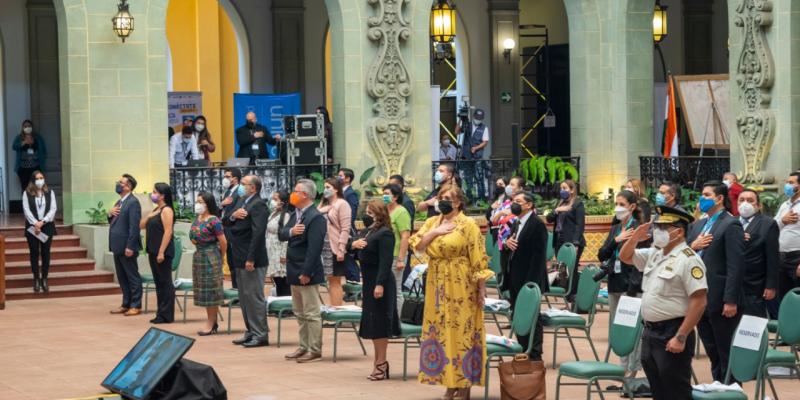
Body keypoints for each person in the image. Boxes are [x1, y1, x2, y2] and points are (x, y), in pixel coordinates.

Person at [410, 184, 494, 399]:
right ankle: (448, 382)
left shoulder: (468, 225)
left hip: (461, 282)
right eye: (440, 197)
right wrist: (435, 232)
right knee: (440, 331)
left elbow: (478, 258)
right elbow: (417, 245)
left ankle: (464, 383)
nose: (442, 201)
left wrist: (481, 289)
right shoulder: (432, 222)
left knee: (461, 331)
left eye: (447, 198)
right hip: (436, 281)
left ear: (457, 202)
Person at [618, 206, 708, 400]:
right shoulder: (655, 253)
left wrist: (681, 336)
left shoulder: (688, 260)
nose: (657, 231)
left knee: (676, 391)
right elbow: (625, 257)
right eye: (657, 226)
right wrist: (634, 238)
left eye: (663, 227)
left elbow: (699, 301)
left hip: (673, 330)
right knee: (658, 390)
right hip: (650, 332)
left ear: (679, 231)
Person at [686, 181, 745, 383]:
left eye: (706, 194)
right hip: (698, 296)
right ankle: (718, 385)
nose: (702, 198)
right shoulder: (698, 225)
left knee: (725, 349)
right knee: (711, 349)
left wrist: (731, 300)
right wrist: (692, 246)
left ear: (719, 198)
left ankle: (731, 389)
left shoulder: (731, 224)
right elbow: (682, 254)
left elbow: (735, 266)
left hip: (720, 298)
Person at [598, 190, 646, 379]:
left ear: (632, 207)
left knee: (632, 330)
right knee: (619, 329)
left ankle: (632, 372)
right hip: (614, 283)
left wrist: (632, 291)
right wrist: (616, 240)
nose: (618, 208)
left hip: (631, 287)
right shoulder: (616, 227)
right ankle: (622, 369)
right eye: (616, 204)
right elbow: (602, 254)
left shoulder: (639, 229)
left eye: (622, 204)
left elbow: (640, 262)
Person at [349, 200, 400, 380]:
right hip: (369, 281)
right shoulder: (367, 231)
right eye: (367, 212)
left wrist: (380, 284)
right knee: (372, 323)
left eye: (372, 213)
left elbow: (386, 262)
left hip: (381, 282)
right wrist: (353, 246)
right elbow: (356, 250)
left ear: (380, 214)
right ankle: (379, 362)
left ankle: (381, 362)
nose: (368, 215)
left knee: (379, 323)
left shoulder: (385, 233)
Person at [279, 179, 327, 363]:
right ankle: (303, 345)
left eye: (296, 191)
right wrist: (292, 231)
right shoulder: (296, 213)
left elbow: (314, 249)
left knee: (311, 313)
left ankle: (314, 349)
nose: (293, 193)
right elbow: (282, 234)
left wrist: (306, 272)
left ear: (305, 195)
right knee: (299, 312)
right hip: (293, 268)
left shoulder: (315, 217)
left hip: (307, 271)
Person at [226, 175, 269, 347]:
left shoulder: (258, 205)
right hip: (238, 256)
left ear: (253, 188)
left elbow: (258, 234)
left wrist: (251, 258)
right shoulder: (240, 201)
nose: (240, 187)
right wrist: (233, 216)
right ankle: (250, 331)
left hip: (252, 259)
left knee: (254, 297)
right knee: (244, 297)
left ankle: (261, 334)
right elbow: (226, 220)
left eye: (244, 184)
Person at [503, 191, 548, 359]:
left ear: (528, 205)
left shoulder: (537, 225)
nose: (514, 204)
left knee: (532, 316)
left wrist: (531, 285)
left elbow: (539, 257)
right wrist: (507, 244)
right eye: (513, 201)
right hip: (515, 275)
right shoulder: (516, 223)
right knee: (518, 314)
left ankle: (535, 353)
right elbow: (510, 246)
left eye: (518, 201)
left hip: (530, 279)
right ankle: (523, 349)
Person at [737, 189, 779, 317]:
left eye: (750, 201)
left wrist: (771, 285)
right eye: (742, 200)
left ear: (758, 205)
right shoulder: (731, 222)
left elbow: (772, 257)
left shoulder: (768, 224)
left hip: (755, 284)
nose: (745, 204)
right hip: (733, 285)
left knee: (752, 325)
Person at [190, 192, 227, 335]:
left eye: (201, 202)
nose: (198, 204)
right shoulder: (198, 218)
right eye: (197, 201)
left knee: (211, 291)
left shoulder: (214, 221)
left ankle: (211, 322)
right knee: (203, 291)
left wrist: (220, 257)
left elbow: (223, 242)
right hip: (199, 256)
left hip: (211, 256)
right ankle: (212, 320)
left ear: (208, 204)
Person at [140, 183, 175, 324]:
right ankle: (160, 313)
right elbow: (141, 225)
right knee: (158, 283)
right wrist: (150, 215)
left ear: (162, 195)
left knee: (165, 283)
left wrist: (161, 251)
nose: (152, 194)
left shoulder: (167, 210)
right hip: (152, 250)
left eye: (155, 192)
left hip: (162, 252)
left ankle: (166, 315)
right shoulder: (156, 210)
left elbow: (168, 231)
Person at [108, 174, 143, 316]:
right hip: (117, 246)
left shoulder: (133, 202)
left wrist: (130, 246)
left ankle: (136, 305)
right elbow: (113, 221)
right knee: (122, 277)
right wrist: (109, 213)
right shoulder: (119, 202)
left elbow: (134, 227)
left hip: (127, 247)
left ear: (128, 187)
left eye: (121, 183)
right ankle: (126, 303)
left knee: (132, 276)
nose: (118, 184)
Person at [547, 179, 586, 300]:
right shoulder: (560, 203)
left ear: (572, 190)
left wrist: (576, 242)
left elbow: (580, 225)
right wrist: (556, 210)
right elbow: (549, 219)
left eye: (565, 188)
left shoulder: (577, 204)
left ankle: (573, 294)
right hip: (559, 239)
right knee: (562, 268)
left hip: (572, 240)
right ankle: (565, 291)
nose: (562, 191)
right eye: (561, 188)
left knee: (572, 267)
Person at [318, 178, 352, 306]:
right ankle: (332, 309)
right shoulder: (325, 205)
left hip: (334, 246)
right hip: (323, 247)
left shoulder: (342, 204)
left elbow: (345, 228)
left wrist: (341, 248)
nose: (325, 190)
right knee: (329, 280)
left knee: (335, 281)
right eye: (325, 187)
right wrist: (322, 204)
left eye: (328, 187)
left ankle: (336, 312)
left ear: (336, 189)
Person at [22, 170, 57, 293]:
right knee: (34, 253)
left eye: (42, 177)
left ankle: (45, 278)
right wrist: (35, 223)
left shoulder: (50, 192)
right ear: (33, 180)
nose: (40, 180)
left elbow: (53, 209)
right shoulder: (26, 193)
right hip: (32, 227)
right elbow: (26, 210)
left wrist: (42, 222)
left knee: (46, 253)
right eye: (37, 178)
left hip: (47, 226)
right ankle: (36, 278)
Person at [383, 184, 411, 313]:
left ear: (395, 197)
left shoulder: (401, 212)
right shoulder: (384, 211)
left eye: (387, 194)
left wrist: (401, 259)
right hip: (384, 255)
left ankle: (397, 319)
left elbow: (405, 236)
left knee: (395, 289)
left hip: (395, 255)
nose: (384, 196)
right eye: (383, 193)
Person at [774, 171, 800, 302]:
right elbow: (773, 228)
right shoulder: (785, 205)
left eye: (791, 183)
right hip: (780, 257)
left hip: (797, 258)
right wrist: (782, 221)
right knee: (784, 298)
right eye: (787, 182)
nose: (787, 186)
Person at [455, 108, 489, 203]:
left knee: (479, 178)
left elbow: (485, 142)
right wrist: (460, 120)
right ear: (473, 116)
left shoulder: (484, 128)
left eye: (480, 118)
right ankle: (470, 199)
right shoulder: (467, 125)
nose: (478, 119)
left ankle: (481, 199)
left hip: (477, 156)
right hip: (466, 157)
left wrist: (476, 148)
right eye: (477, 117)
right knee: (468, 179)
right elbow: (457, 132)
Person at [220, 168, 243, 289]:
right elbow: (222, 209)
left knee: (236, 262)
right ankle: (235, 288)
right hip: (226, 231)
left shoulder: (240, 192)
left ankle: (239, 290)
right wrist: (221, 204)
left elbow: (237, 211)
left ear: (235, 179)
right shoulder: (227, 192)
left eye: (227, 176)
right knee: (230, 262)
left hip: (234, 231)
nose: (225, 179)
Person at [266, 190, 292, 296]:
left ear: (282, 202)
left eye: (275, 199)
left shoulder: (286, 216)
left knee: (283, 279)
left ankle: (286, 305)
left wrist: (284, 254)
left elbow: (286, 237)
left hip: (280, 250)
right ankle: (279, 305)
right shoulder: (274, 213)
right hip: (272, 250)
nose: (272, 201)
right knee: (277, 280)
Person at [338, 168, 361, 282]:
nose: (338, 178)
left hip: (347, 230)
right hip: (338, 230)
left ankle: (354, 285)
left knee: (349, 260)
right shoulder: (340, 192)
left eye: (340, 176)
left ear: (347, 179)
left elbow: (351, 214)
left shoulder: (351, 194)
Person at [13, 120, 47, 190]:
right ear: (22, 128)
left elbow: (44, 150)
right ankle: (26, 200)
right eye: (25, 126)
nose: (27, 128)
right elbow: (14, 146)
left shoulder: (38, 137)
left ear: (32, 127)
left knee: (37, 187)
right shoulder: (19, 137)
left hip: (36, 168)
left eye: (29, 126)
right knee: (25, 188)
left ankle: (36, 201)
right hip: (23, 169)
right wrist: (24, 142)